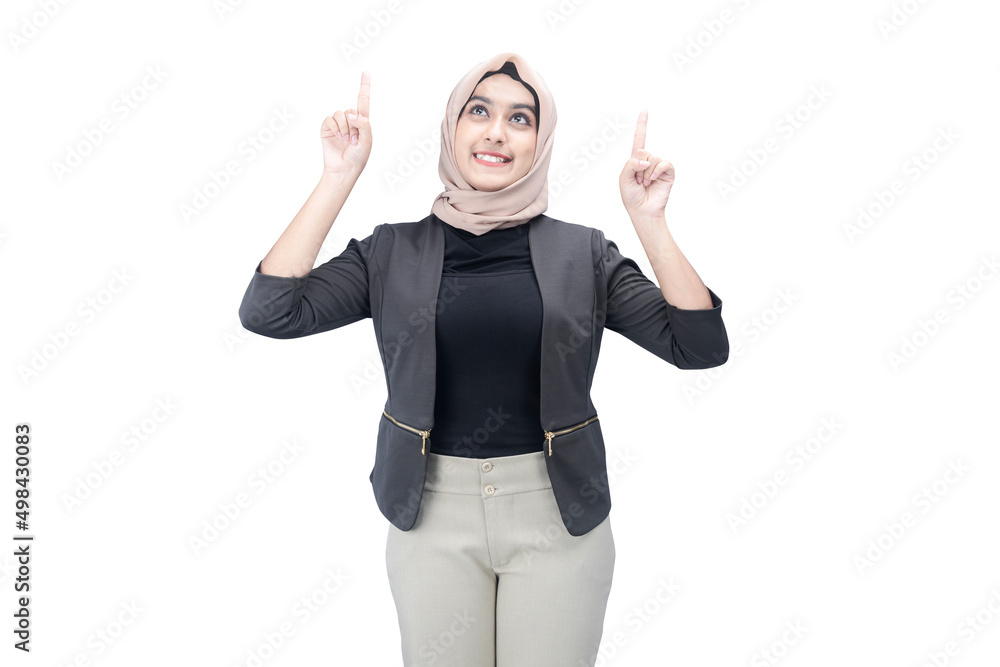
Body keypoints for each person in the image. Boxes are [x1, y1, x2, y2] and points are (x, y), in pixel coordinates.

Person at [238, 52, 729, 667]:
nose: (497, 132)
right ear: (452, 128)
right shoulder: (391, 251)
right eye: (479, 112)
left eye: (520, 119)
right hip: (429, 514)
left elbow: (699, 346)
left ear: (539, 143)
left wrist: (649, 222)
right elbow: (270, 311)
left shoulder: (584, 254)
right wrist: (339, 177)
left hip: (558, 515)